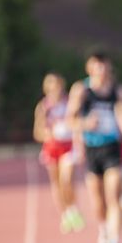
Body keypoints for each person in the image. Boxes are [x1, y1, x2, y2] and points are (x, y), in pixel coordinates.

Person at [68, 52, 122, 243]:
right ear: (90, 68)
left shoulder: (118, 91)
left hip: (112, 148)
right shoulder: (82, 90)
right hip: (92, 149)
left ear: (109, 68)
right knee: (98, 202)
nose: (102, 71)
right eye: (97, 67)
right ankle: (104, 233)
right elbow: (70, 120)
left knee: (114, 196)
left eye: (105, 67)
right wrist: (85, 124)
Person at [33, 73, 84, 233]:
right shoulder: (43, 106)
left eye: (58, 86)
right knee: (56, 184)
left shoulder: (69, 103)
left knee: (66, 179)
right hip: (52, 147)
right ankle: (65, 215)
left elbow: (77, 123)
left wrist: (79, 143)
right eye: (51, 86)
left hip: (68, 146)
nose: (55, 89)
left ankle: (73, 209)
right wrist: (49, 133)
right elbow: (37, 132)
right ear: (47, 88)